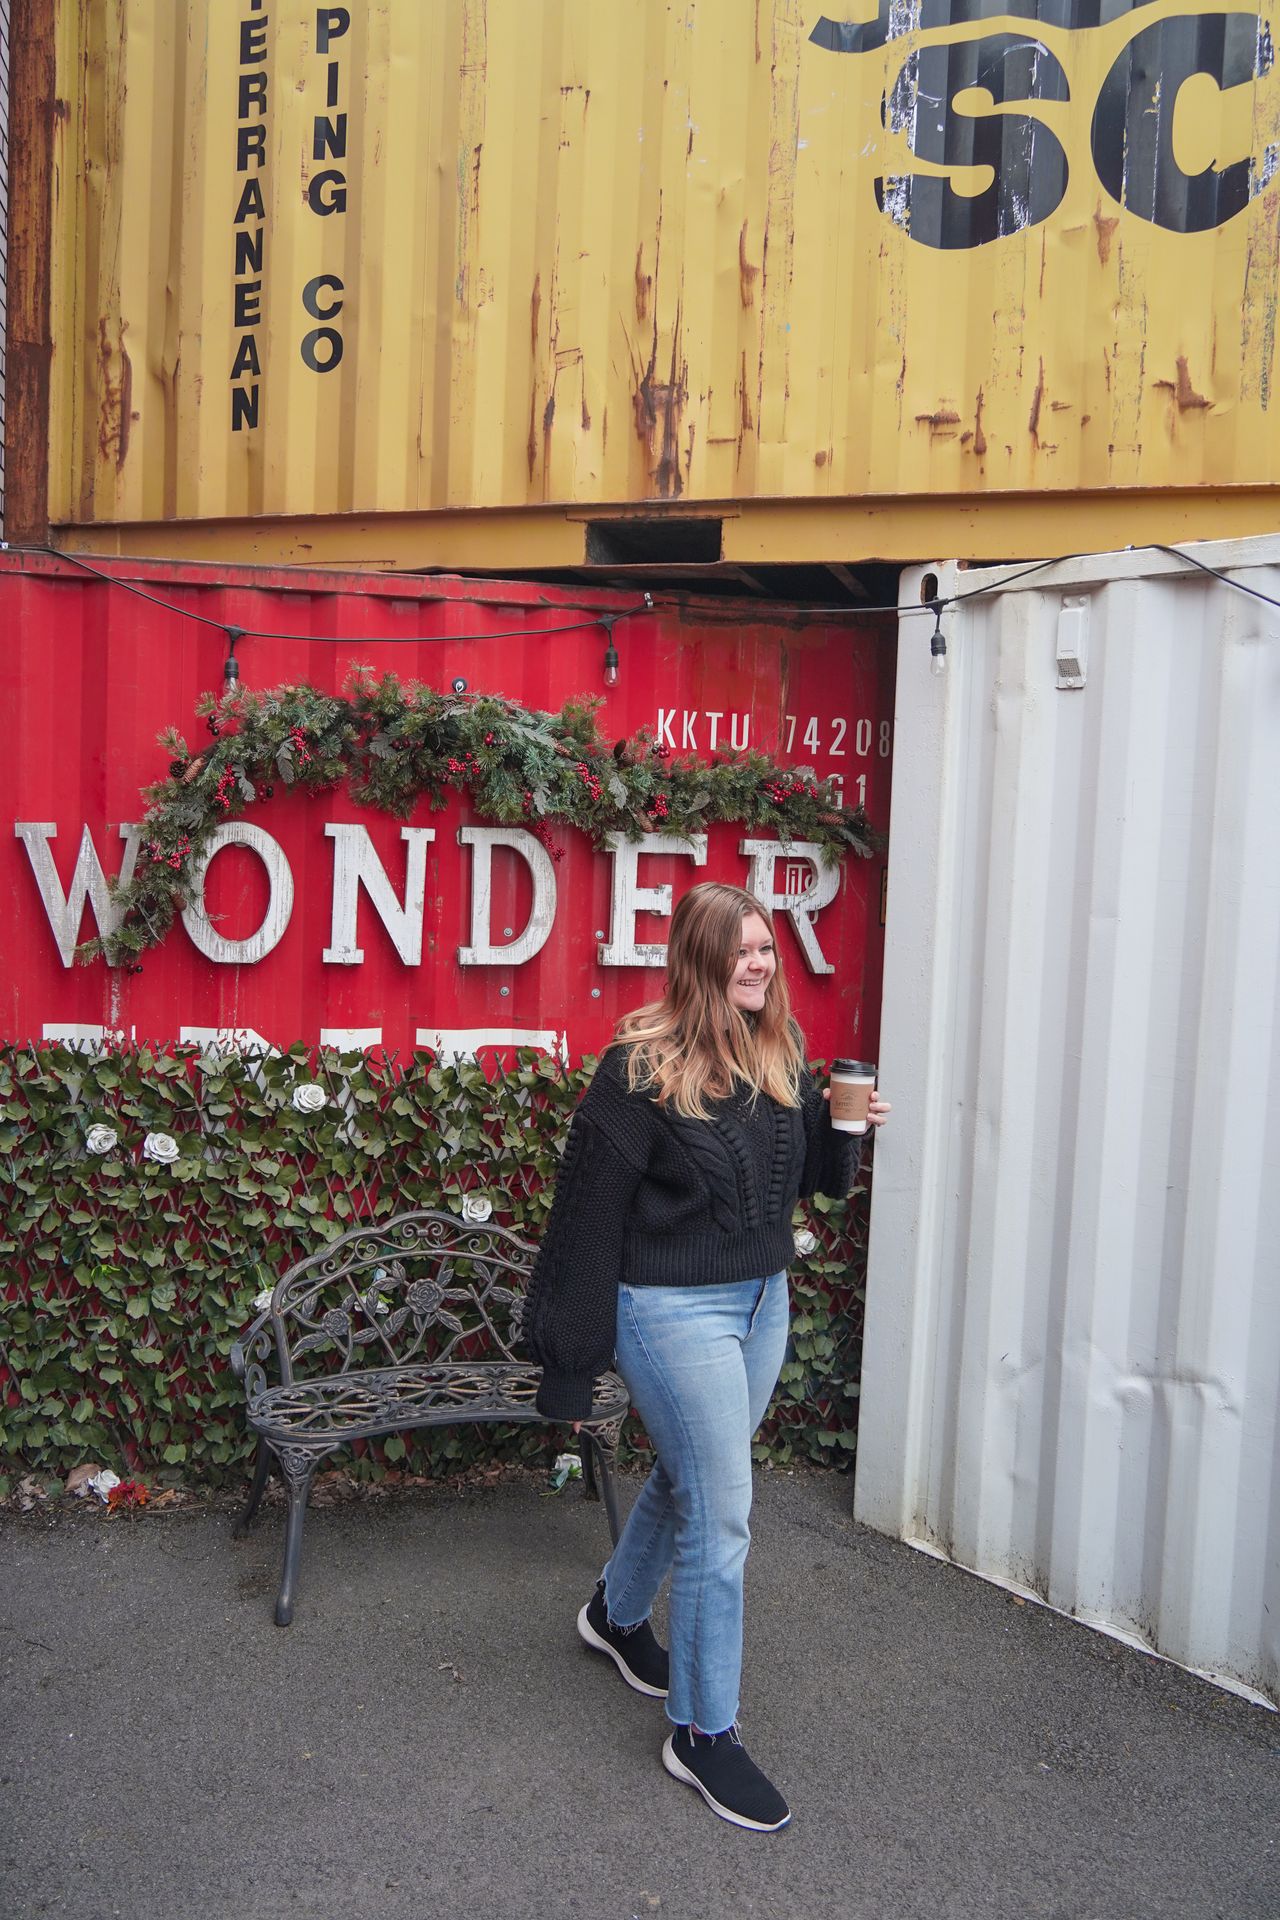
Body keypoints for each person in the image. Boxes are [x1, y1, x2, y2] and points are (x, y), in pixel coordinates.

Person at [524, 880, 890, 1832]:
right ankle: (702, 1734)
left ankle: (614, 1614)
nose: (760, 963)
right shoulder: (638, 1068)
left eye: (768, 948)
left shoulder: (779, 1050)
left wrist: (847, 1135)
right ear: (700, 959)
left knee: (693, 1482)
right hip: (669, 1312)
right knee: (724, 1518)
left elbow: (806, 1183)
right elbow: (586, 1219)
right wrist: (569, 1362)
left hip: (763, 1301)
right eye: (742, 950)